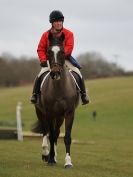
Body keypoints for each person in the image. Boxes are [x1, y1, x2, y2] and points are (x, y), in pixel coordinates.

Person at [30, 10, 89, 105]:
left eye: (60, 21)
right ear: (52, 23)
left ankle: (83, 95)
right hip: (51, 60)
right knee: (40, 74)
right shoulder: (45, 35)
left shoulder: (69, 34)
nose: (58, 23)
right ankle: (35, 94)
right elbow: (40, 49)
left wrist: (60, 56)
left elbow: (69, 47)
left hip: (64, 59)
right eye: (56, 21)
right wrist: (43, 60)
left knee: (78, 72)